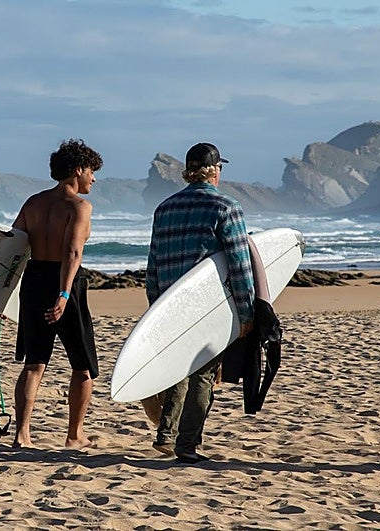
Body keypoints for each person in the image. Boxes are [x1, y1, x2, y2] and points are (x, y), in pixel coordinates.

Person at [146, 142, 254, 464]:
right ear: (215, 170)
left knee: (177, 369)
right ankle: (187, 445)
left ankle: (166, 435)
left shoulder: (164, 209)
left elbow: (152, 266)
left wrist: (155, 309)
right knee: (204, 373)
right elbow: (239, 264)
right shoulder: (226, 207)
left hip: (168, 303)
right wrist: (247, 313)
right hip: (207, 307)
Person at [9, 138, 103, 449]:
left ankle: (22, 435)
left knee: (35, 363)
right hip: (66, 283)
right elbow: (73, 252)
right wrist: (63, 295)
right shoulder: (79, 206)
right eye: (91, 171)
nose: (93, 178)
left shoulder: (33, 203)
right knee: (83, 364)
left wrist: (2, 293)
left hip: (34, 280)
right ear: (78, 170)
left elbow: (11, 249)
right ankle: (74, 435)